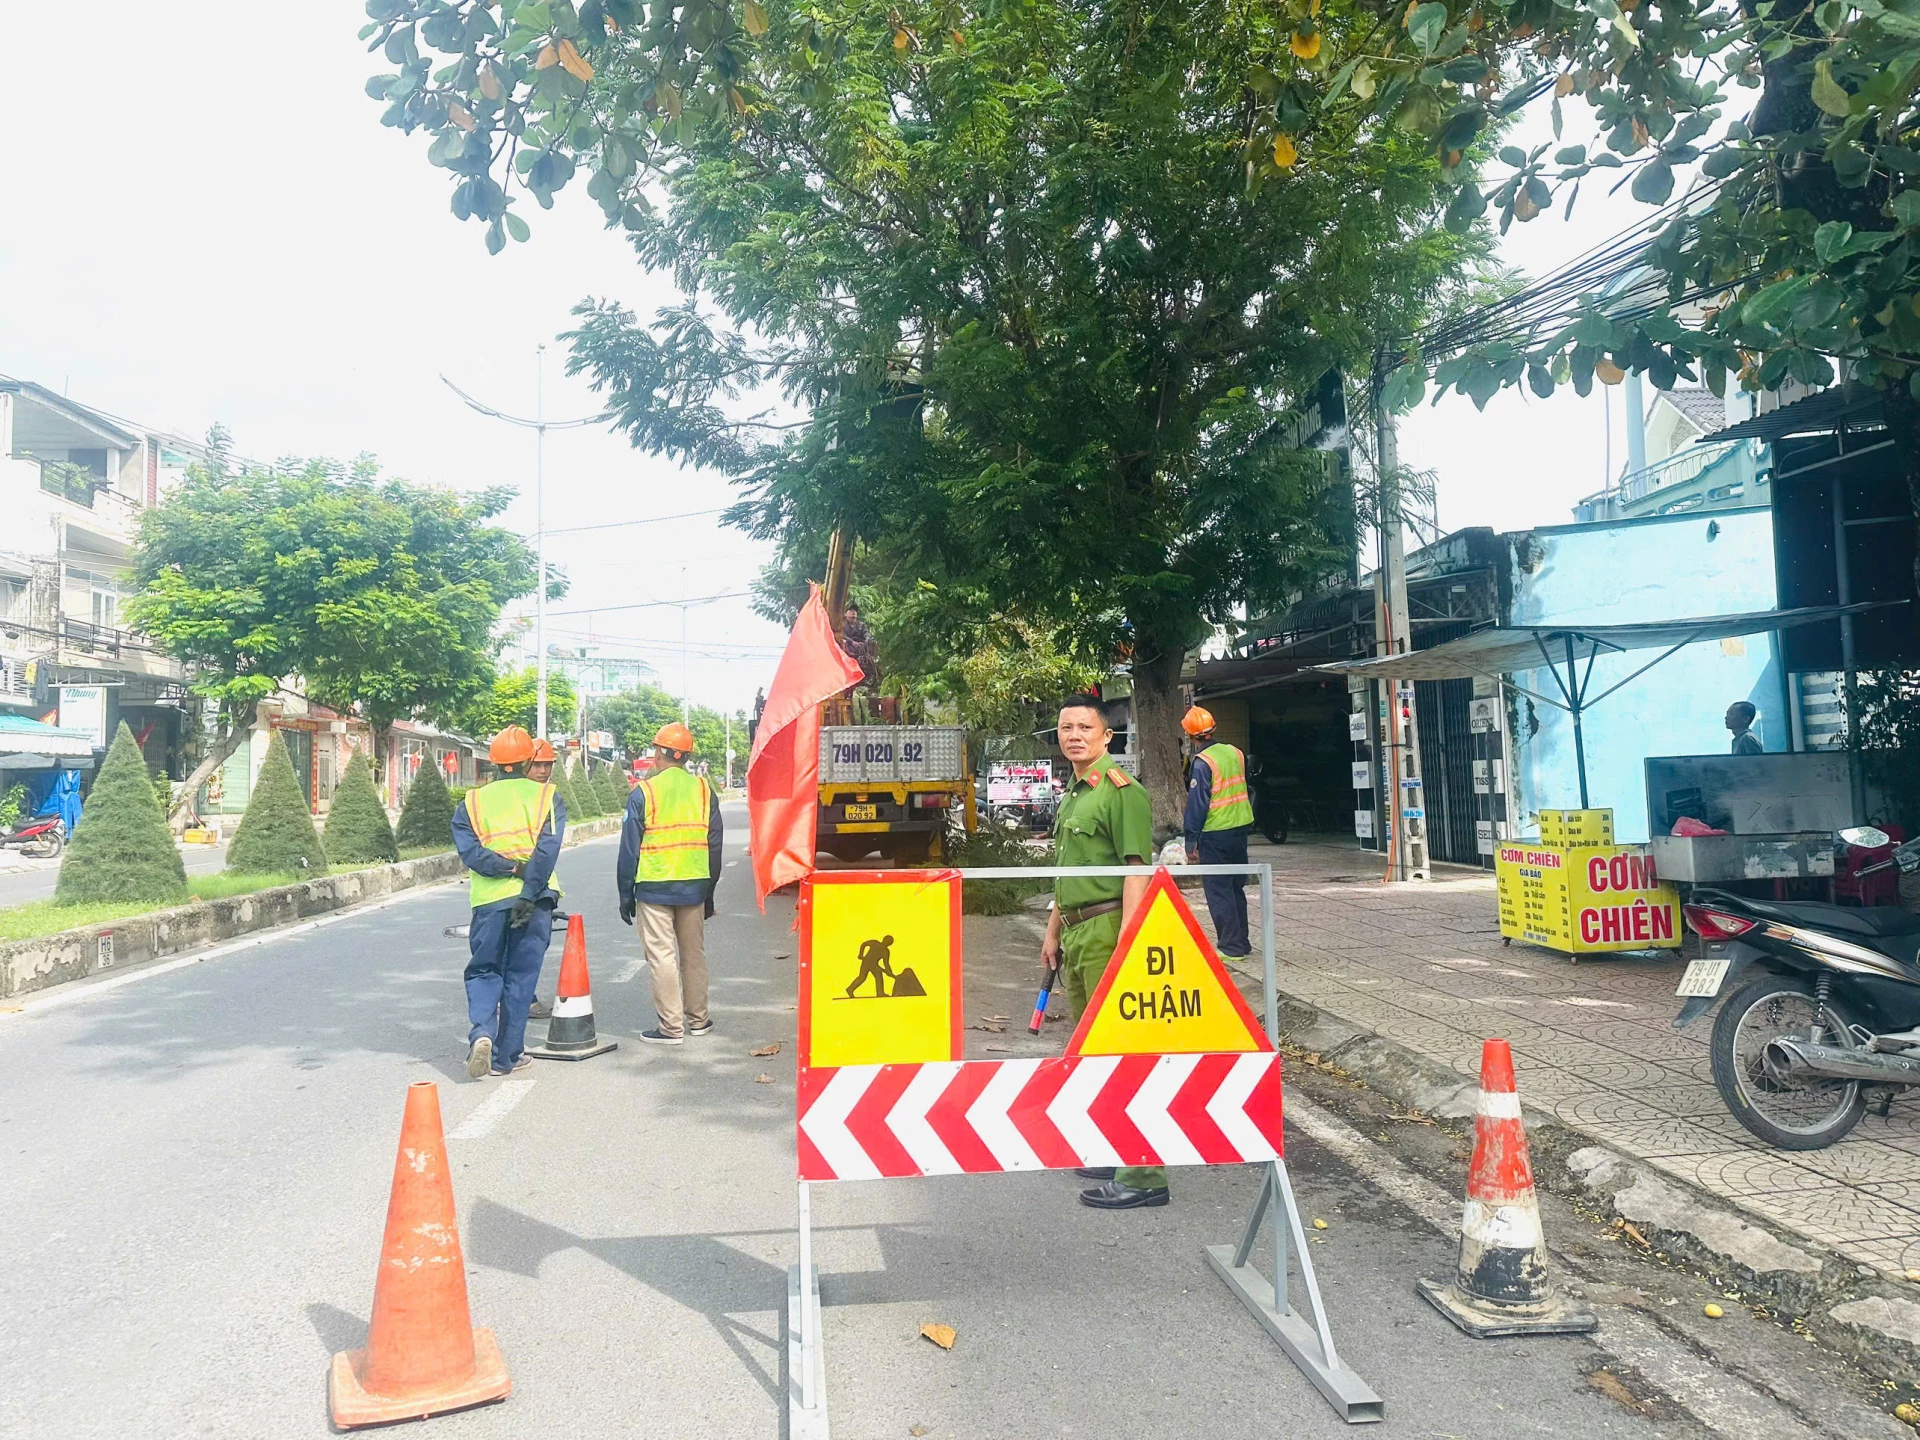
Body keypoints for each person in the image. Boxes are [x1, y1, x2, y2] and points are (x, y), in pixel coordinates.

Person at [1040, 693, 1164, 1210]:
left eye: (1084, 728)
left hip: (1109, 928)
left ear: (1106, 736)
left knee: (1123, 1048)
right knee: (1092, 1049)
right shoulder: (1074, 792)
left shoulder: (1121, 791)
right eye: (1066, 727)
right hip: (1075, 930)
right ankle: (1116, 1148)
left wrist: (1131, 945)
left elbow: (1137, 871)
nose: (1074, 735)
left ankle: (1144, 1175)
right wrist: (1052, 931)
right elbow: (1068, 872)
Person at [451, 727, 566, 1080]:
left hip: (488, 902)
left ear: (495, 763)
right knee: (520, 977)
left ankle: (482, 1032)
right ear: (529, 760)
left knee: (485, 970)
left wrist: (507, 867)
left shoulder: (471, 802)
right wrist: (528, 890)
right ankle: (506, 1058)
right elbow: (547, 851)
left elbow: (471, 853)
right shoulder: (548, 796)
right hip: (535, 901)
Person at [618, 721, 724, 1044]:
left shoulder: (644, 793)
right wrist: (709, 892)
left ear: (658, 753)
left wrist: (626, 896)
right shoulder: (705, 792)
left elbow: (628, 850)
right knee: (694, 955)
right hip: (694, 887)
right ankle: (699, 1020)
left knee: (662, 956)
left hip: (654, 887)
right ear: (686, 757)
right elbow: (715, 845)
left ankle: (671, 1028)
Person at [1180, 705, 1254, 959]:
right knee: (1235, 888)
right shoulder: (1235, 752)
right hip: (1239, 829)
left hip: (1214, 833)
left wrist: (1191, 840)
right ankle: (1242, 943)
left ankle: (1231, 947)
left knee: (1218, 889)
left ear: (1191, 736)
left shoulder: (1202, 763)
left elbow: (1197, 804)